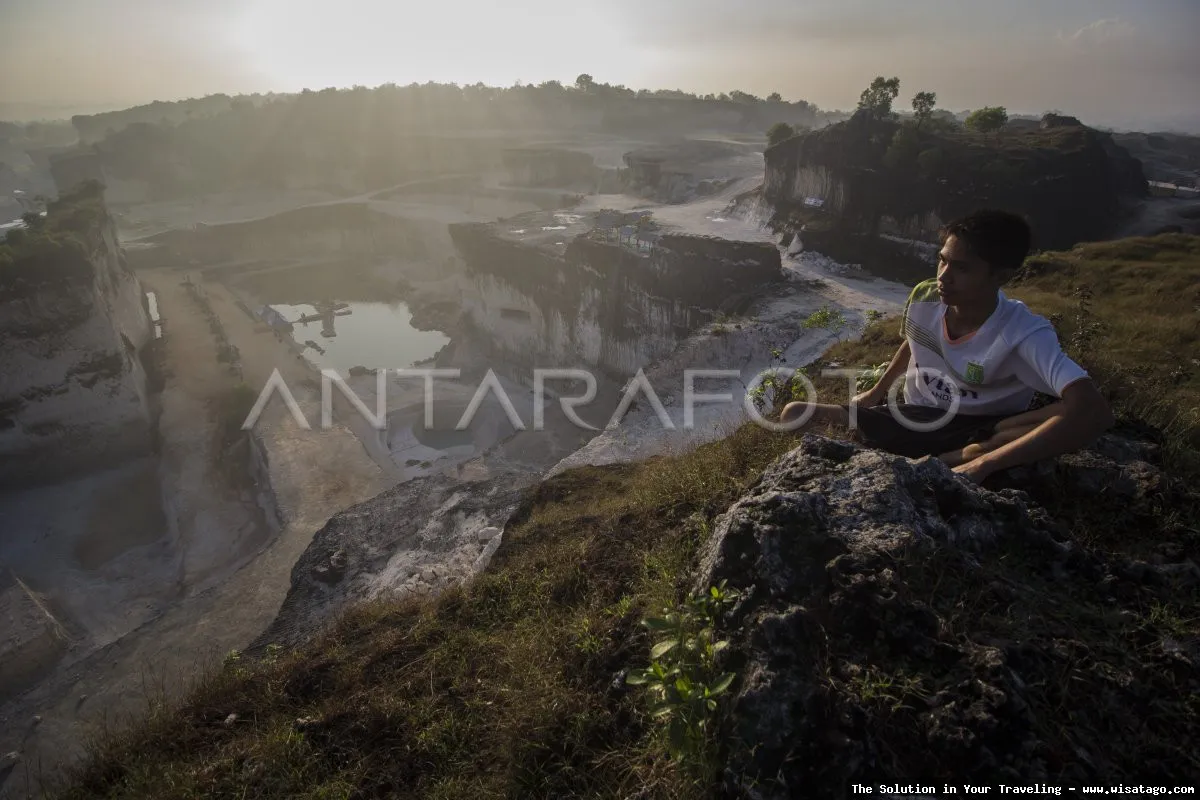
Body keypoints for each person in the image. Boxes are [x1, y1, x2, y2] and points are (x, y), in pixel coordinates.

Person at [780, 209, 1115, 483]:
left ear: (1001, 276)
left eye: (962, 267)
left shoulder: (1024, 332)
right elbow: (914, 342)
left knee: (1060, 414)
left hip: (977, 429)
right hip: (911, 416)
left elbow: (1094, 411)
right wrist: (875, 393)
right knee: (796, 413)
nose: (944, 276)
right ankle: (916, 461)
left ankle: (970, 455)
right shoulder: (926, 296)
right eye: (942, 260)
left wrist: (984, 465)